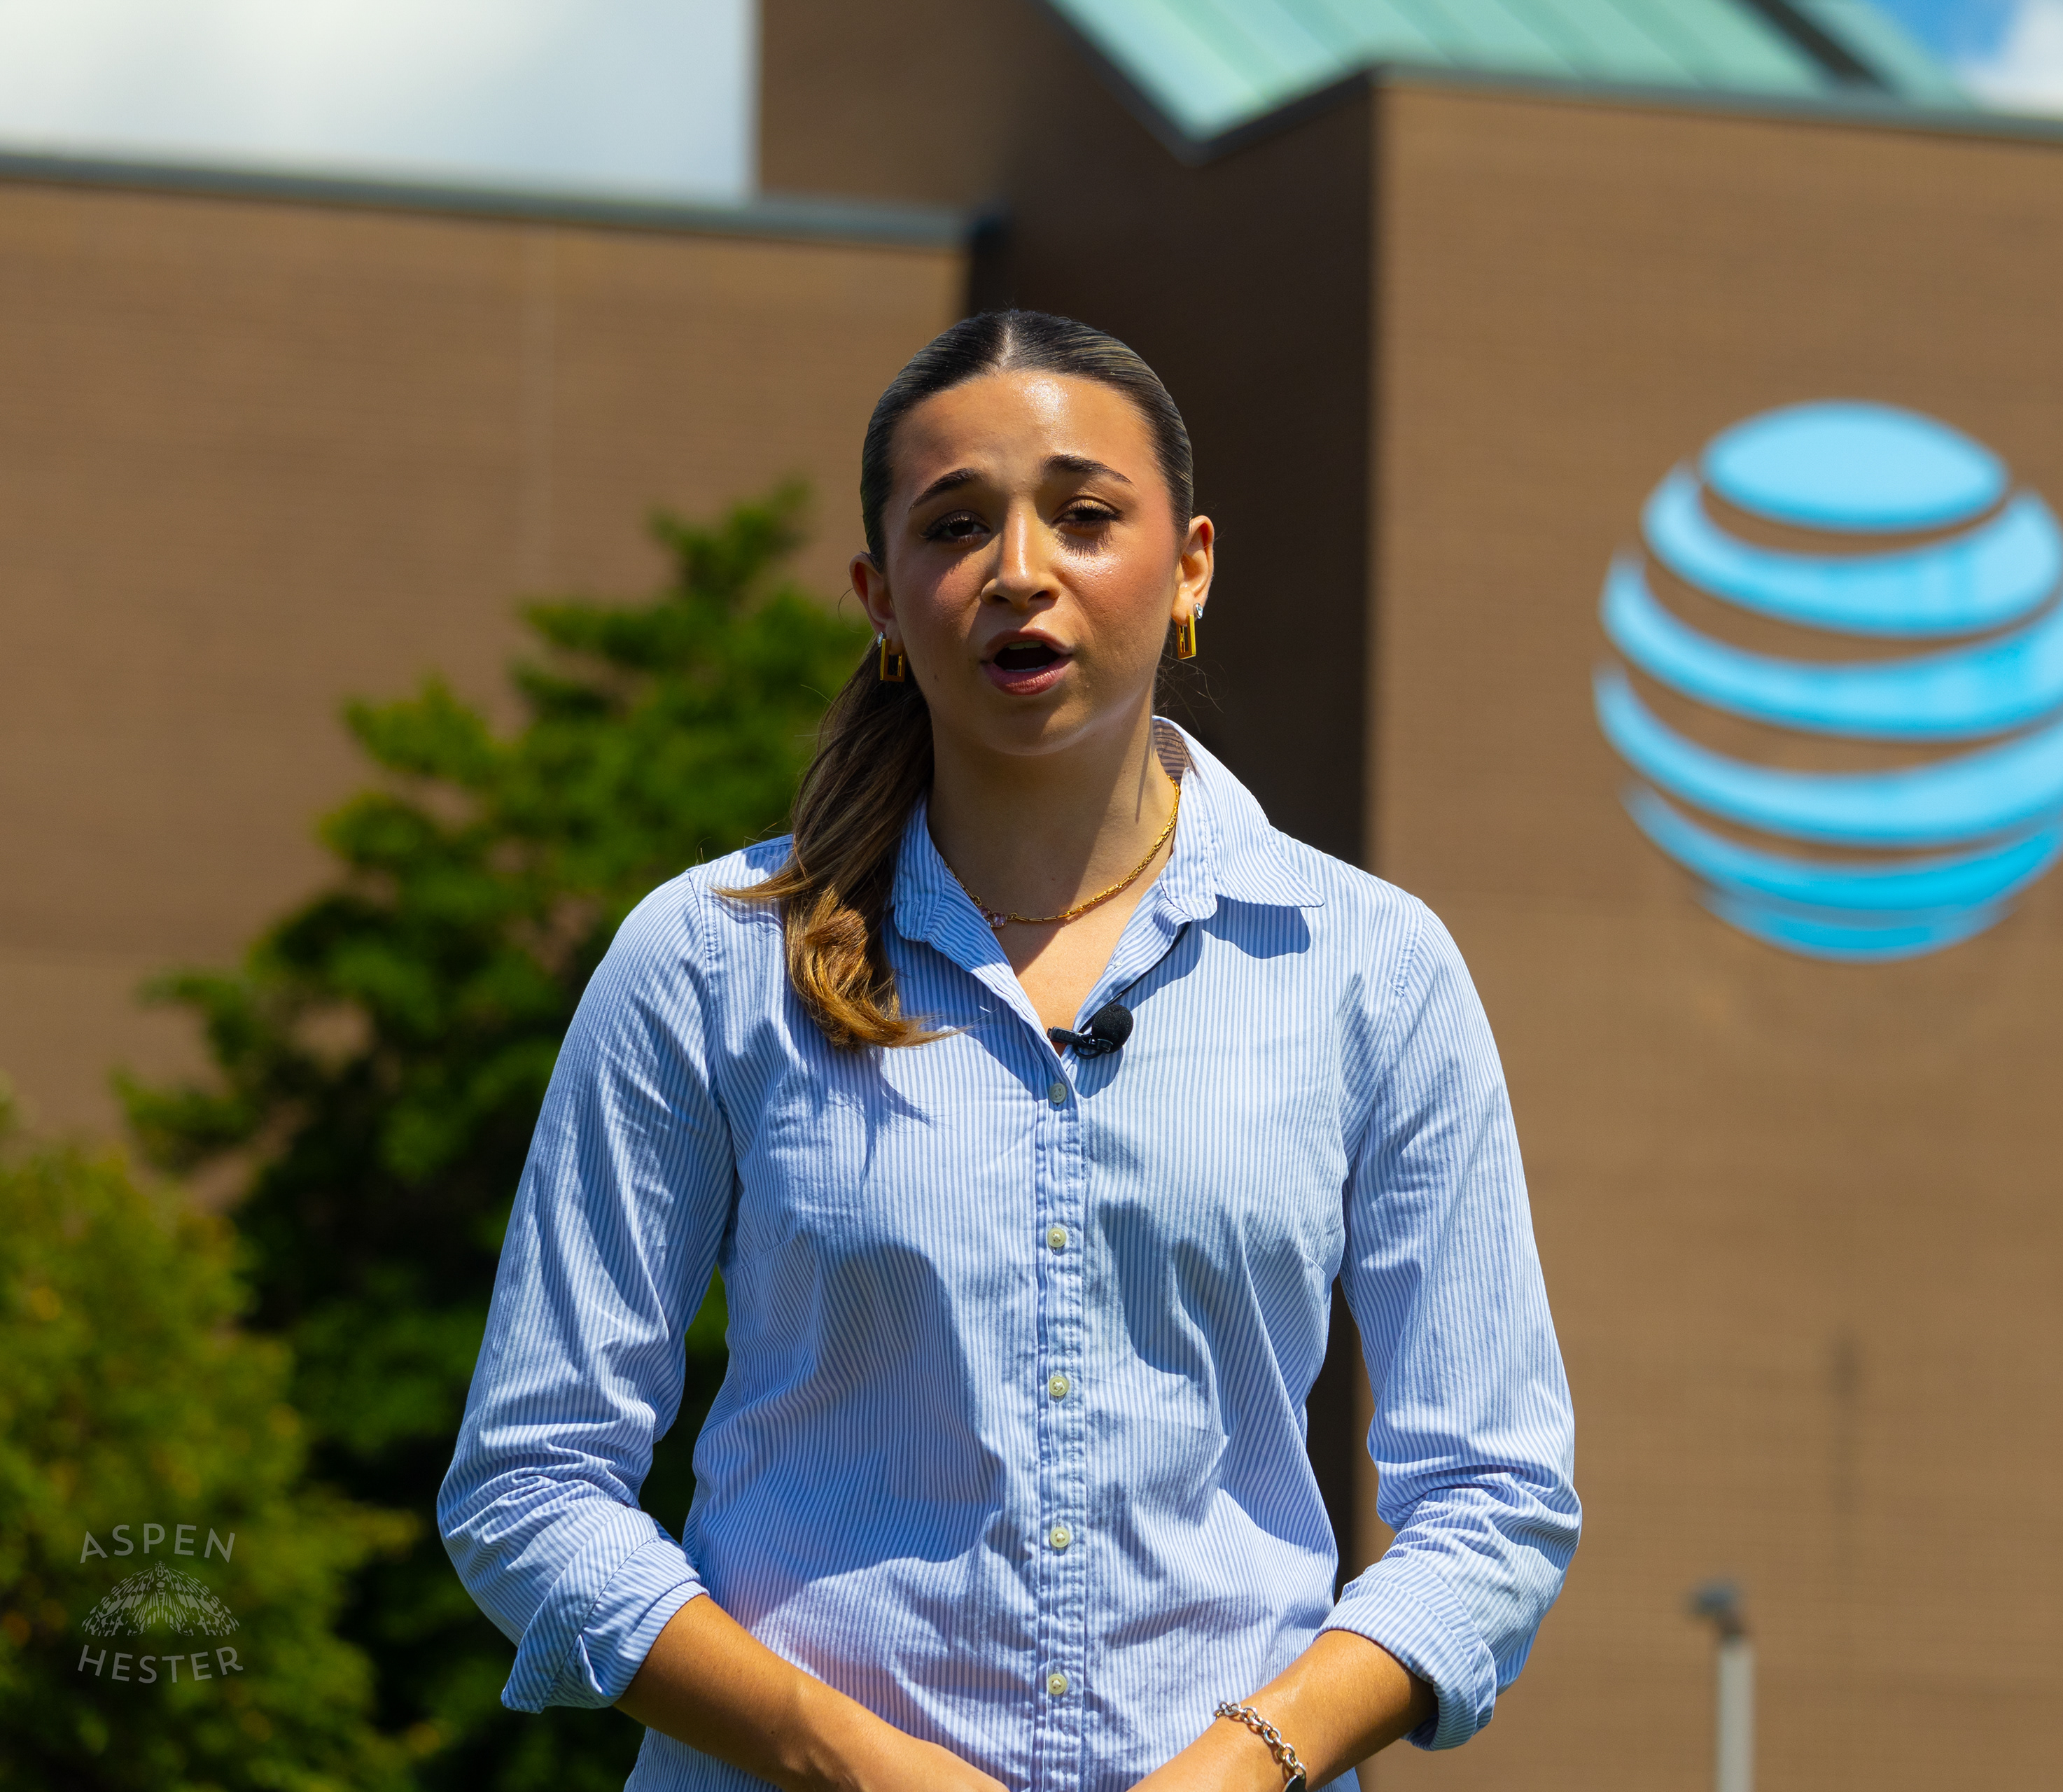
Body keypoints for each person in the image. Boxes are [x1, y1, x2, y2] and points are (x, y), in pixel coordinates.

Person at [438, 310, 1579, 1792]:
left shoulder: (1372, 967)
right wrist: (845, 1760)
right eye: (955, 525)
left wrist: (1251, 1762)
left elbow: (1494, 1496)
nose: (1020, 570)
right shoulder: (708, 959)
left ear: (1191, 567)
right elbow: (530, 1482)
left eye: (1086, 517)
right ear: (880, 596)